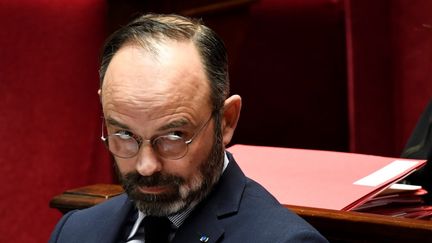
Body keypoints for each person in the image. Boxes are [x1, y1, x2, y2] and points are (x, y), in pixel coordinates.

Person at [49, 13, 328, 243]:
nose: (146, 166)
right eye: (124, 134)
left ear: (227, 121)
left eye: (173, 136)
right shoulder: (75, 232)